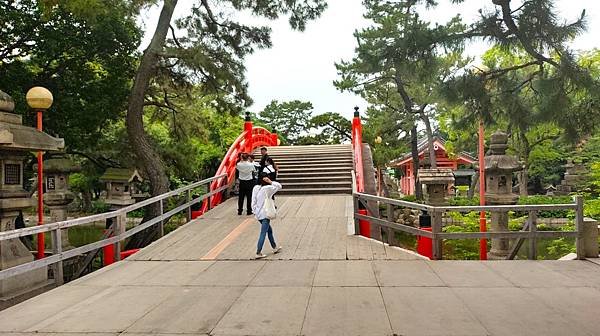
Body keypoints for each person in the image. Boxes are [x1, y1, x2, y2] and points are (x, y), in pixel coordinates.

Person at [251, 174, 282, 259]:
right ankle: (258, 252)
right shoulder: (268, 188)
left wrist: (254, 211)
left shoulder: (256, 188)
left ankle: (274, 247)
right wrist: (270, 182)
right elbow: (279, 186)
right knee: (263, 232)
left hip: (258, 214)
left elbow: (253, 201)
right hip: (266, 213)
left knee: (269, 230)